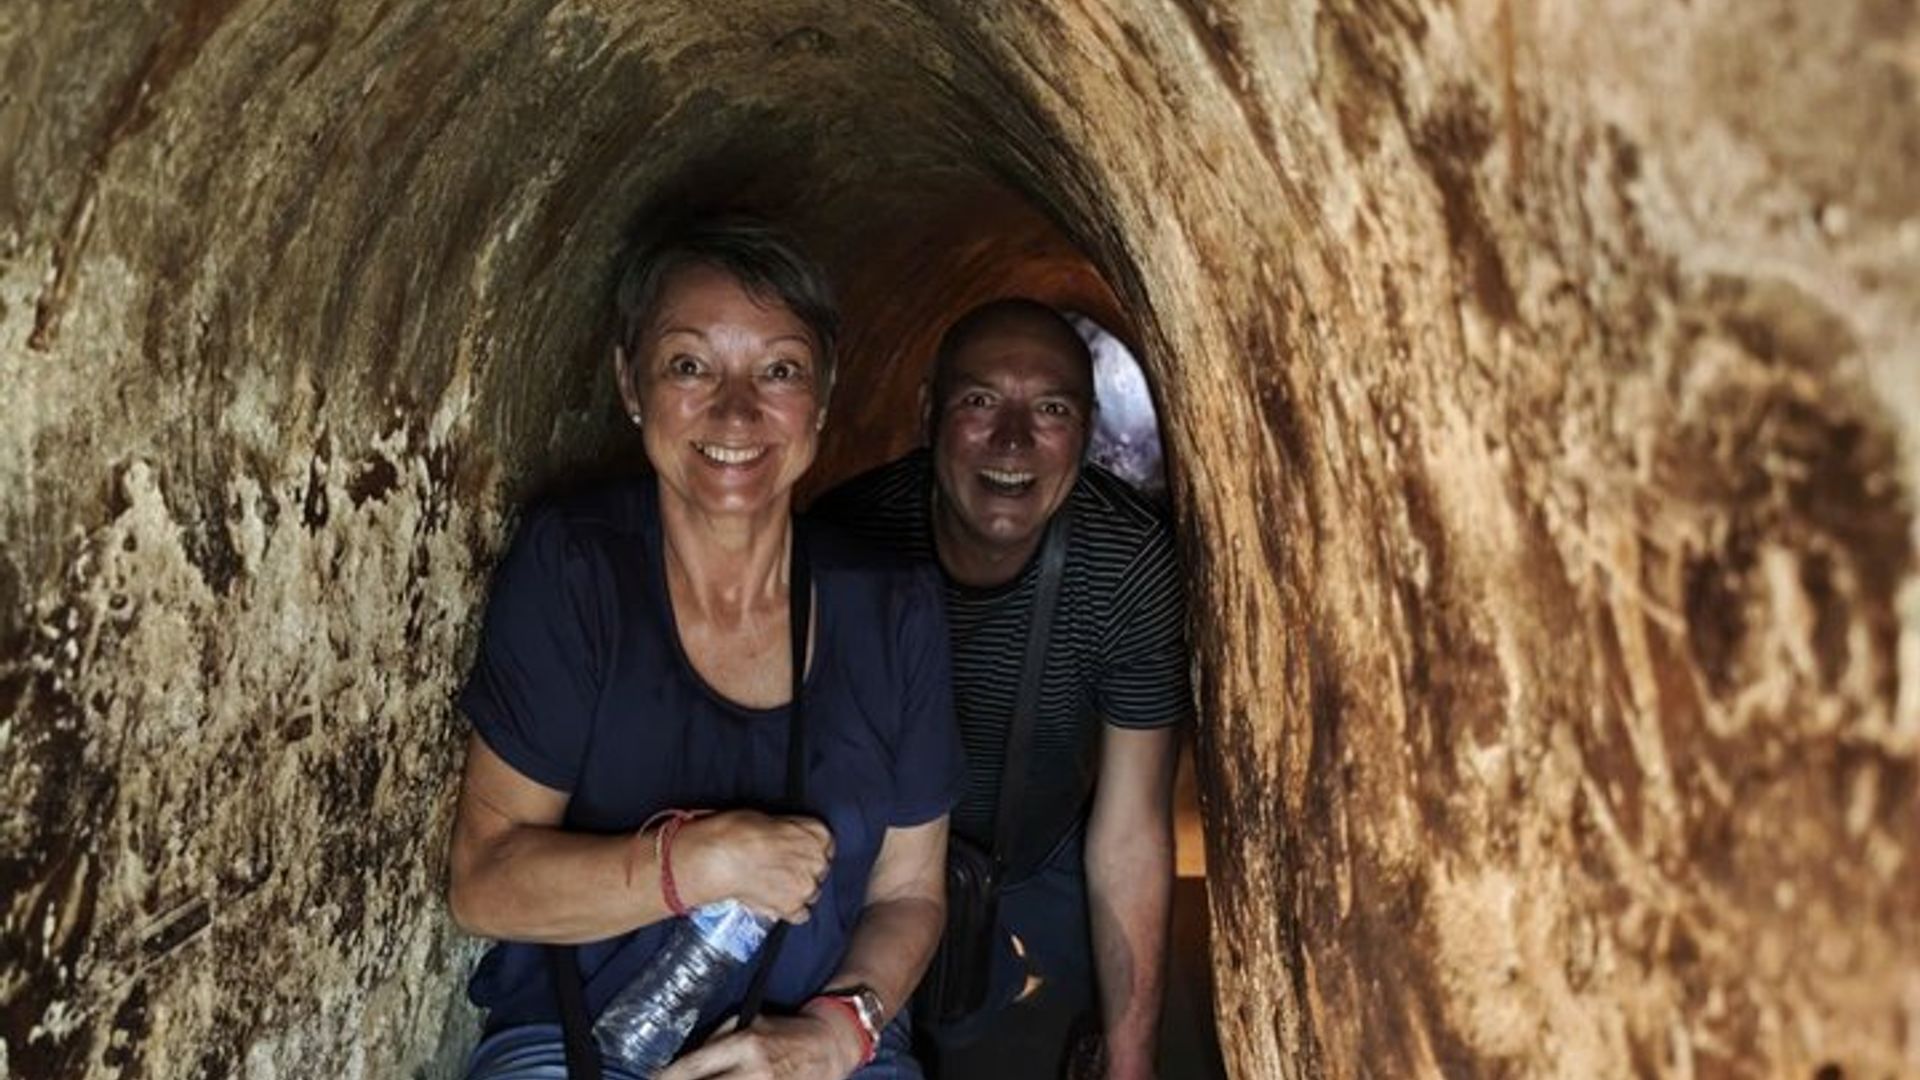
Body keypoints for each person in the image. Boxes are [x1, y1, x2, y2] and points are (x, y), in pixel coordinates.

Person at [447, 215, 963, 1080]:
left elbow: (910, 893)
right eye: (690, 365)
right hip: (587, 1046)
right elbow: (484, 883)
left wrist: (837, 1033)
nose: (735, 410)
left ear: (824, 400)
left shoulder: (894, 610)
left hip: (816, 1048)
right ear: (630, 383)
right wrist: (698, 862)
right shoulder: (579, 571)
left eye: (780, 370)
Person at [813, 299, 1189, 1080]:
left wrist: (1130, 1063)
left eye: (1049, 409)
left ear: (1086, 431)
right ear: (927, 414)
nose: (1012, 441)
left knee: (1101, 1016)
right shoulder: (845, 542)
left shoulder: (1126, 567)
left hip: (1046, 844)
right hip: (885, 870)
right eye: (980, 402)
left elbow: (1131, 831)